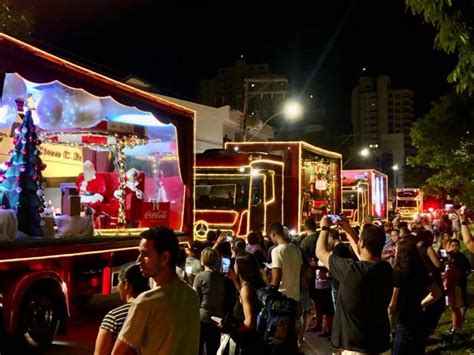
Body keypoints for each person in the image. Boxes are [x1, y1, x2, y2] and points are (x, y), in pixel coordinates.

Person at [112, 227, 200, 355]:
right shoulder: (191, 295)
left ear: (164, 257)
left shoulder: (145, 303)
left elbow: (117, 353)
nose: (139, 261)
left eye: (145, 254)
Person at [316, 216, 394, 355]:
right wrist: (348, 230)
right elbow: (365, 254)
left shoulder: (351, 270)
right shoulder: (386, 270)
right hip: (381, 344)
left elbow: (320, 252)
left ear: (362, 243)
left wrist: (324, 228)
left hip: (356, 347)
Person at [388, 239, 442, 354]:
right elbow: (437, 293)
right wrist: (421, 304)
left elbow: (392, 304)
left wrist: (388, 324)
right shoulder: (421, 272)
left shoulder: (398, 273)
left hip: (403, 321)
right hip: (419, 319)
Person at [94, 263, 149, 355]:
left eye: (118, 281)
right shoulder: (155, 311)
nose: (118, 286)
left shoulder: (113, 317)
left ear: (126, 284)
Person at [269, 222, 302, 354]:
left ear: (274, 234)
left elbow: (276, 276)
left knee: (280, 335)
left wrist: (271, 290)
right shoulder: (295, 249)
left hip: (281, 298)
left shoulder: (277, 251)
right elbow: (303, 267)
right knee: (291, 333)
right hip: (294, 295)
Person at [231, 251, 266, 354]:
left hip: (248, 341)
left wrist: (233, 330)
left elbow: (249, 321)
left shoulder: (246, 290)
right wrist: (235, 280)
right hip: (258, 339)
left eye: (235, 264)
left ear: (241, 268)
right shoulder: (258, 283)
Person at [193, 247, 227, 355]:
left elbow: (195, 299)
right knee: (213, 349)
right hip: (217, 318)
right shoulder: (222, 278)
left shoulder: (199, 277)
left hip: (202, 317)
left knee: (198, 349)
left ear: (203, 260)